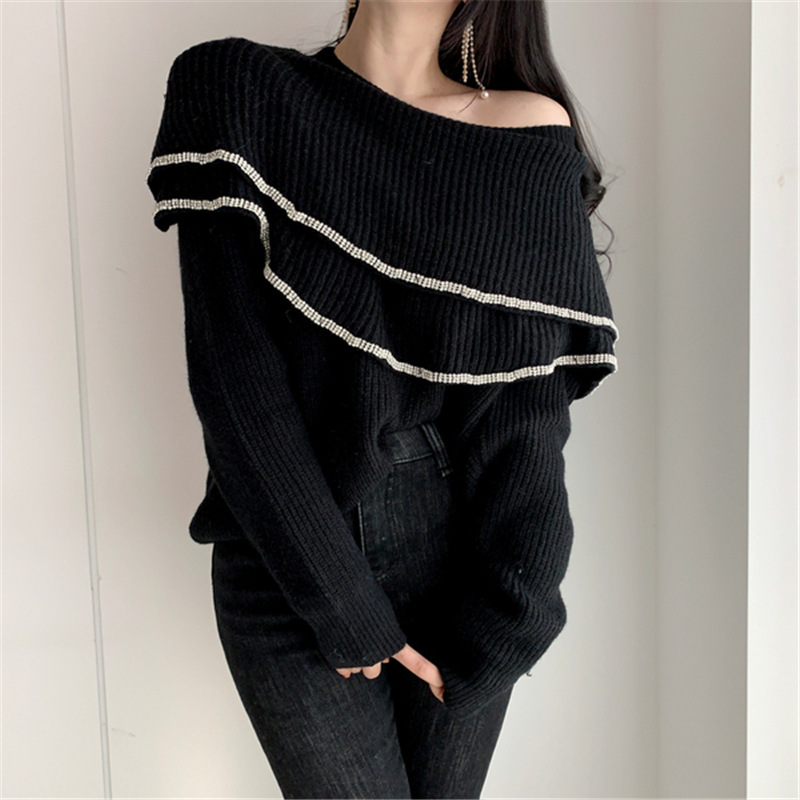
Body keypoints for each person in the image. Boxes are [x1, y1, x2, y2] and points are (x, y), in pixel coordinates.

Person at [146, 0, 619, 796]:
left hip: (459, 550)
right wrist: (338, 599)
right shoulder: (236, 87)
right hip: (289, 550)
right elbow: (233, 381)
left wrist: (523, 601)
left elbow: (526, 415)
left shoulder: (526, 127)